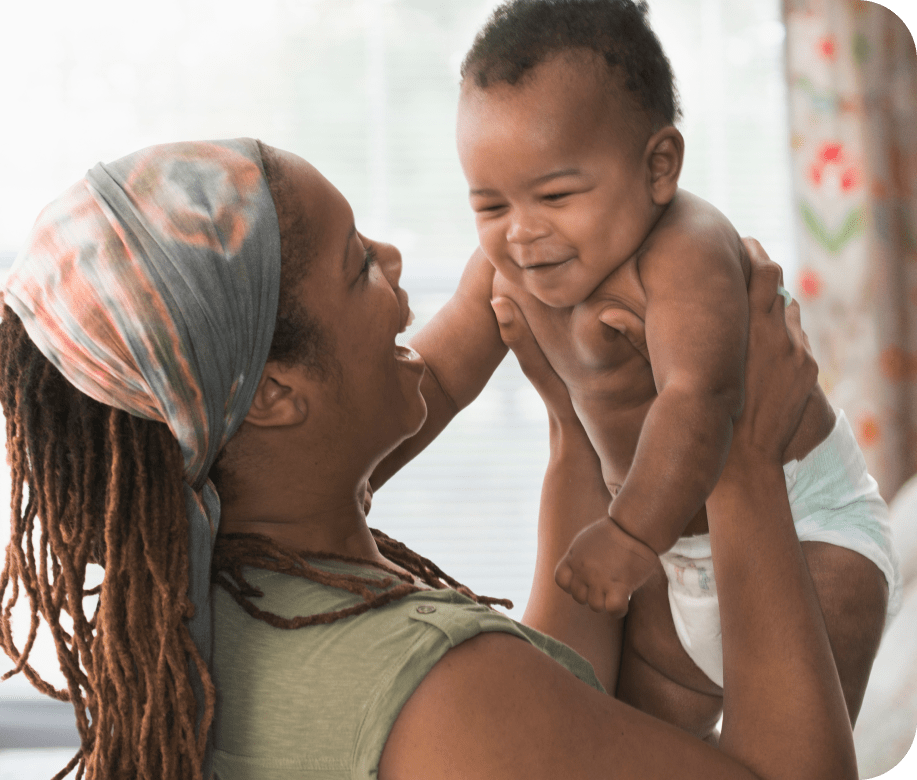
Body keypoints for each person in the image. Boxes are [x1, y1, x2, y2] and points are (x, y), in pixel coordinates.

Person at [0, 136, 856, 780]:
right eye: (359, 263)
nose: (397, 259)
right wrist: (737, 454)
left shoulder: (210, 596)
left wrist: (575, 430)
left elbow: (561, 722)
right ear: (272, 395)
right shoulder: (439, 687)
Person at [371, 0, 898, 738]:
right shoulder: (507, 268)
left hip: (805, 531)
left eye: (555, 195)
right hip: (669, 554)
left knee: (798, 736)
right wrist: (354, 474)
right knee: (638, 744)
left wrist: (627, 535)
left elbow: (699, 398)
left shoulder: (686, 251)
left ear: (658, 167)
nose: (521, 231)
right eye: (490, 203)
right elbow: (437, 379)